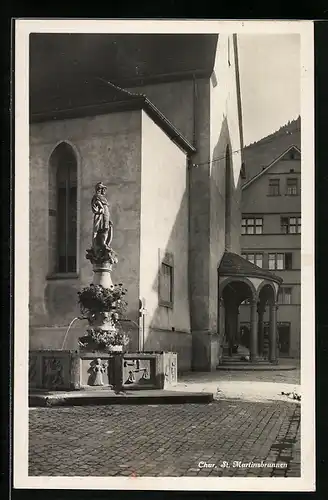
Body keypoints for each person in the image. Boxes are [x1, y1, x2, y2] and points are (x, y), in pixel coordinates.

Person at [91, 182, 113, 251]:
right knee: (100, 230)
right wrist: (100, 210)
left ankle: (105, 243)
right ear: (99, 190)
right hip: (101, 216)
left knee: (107, 228)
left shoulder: (103, 198)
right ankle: (100, 244)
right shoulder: (97, 196)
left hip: (106, 215)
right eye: (103, 189)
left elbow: (105, 207)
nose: (104, 191)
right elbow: (95, 205)